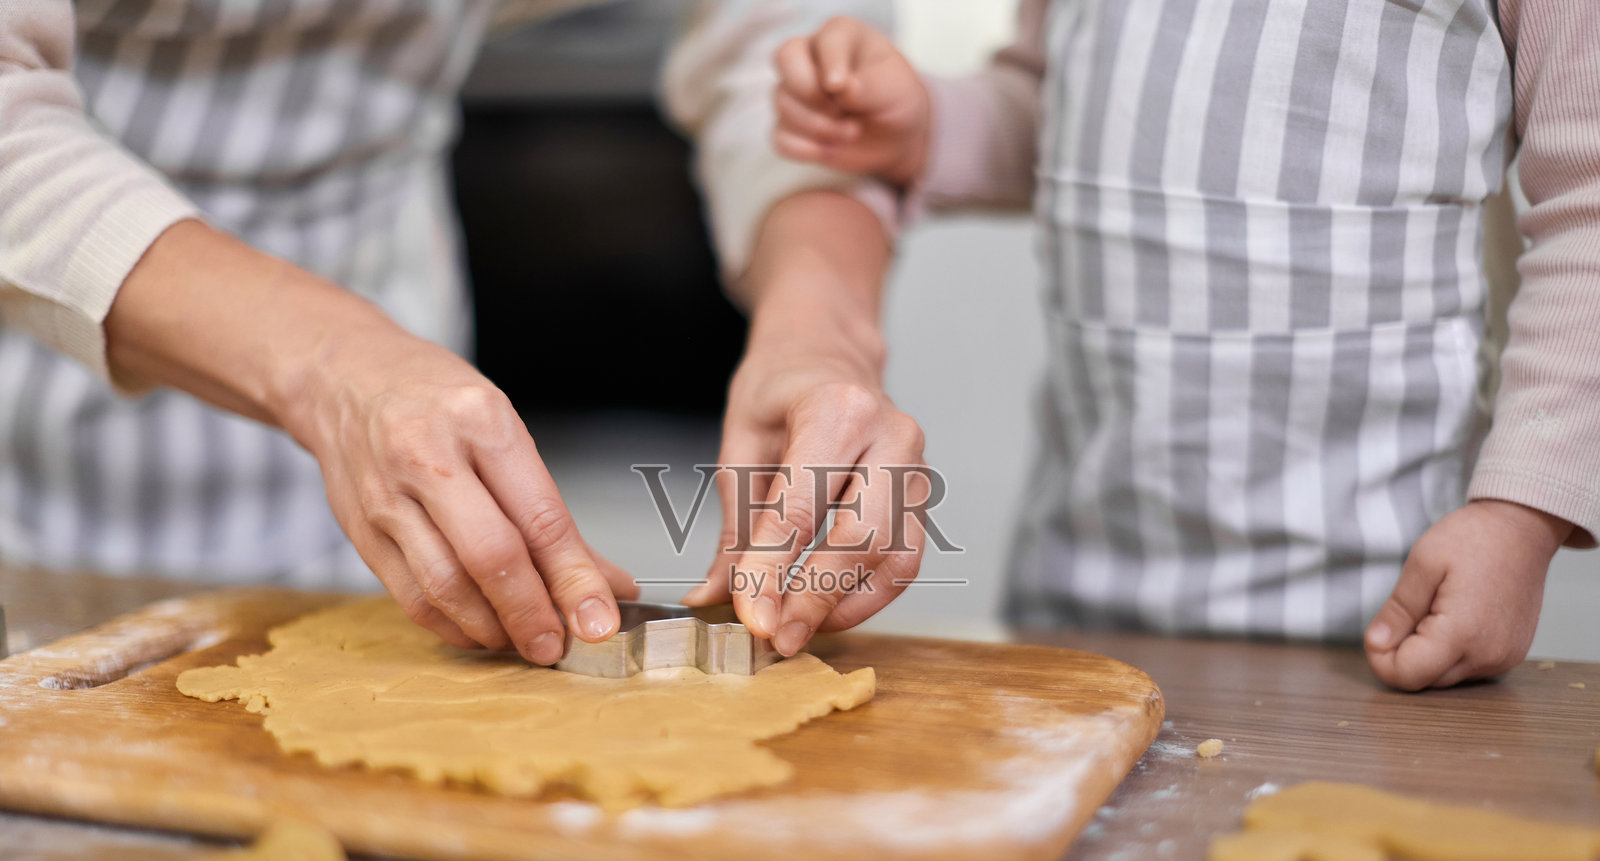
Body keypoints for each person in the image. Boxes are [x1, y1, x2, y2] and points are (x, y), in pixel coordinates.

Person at [665, 0, 1600, 689]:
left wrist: (1524, 511)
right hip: (1078, 587)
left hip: (1374, 604)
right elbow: (1048, 106)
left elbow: (1587, 207)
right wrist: (925, 126)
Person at [0, 2, 640, 665]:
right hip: (71, 473)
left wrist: (763, 255)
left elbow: (742, 37)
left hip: (408, 414)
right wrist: (335, 361)